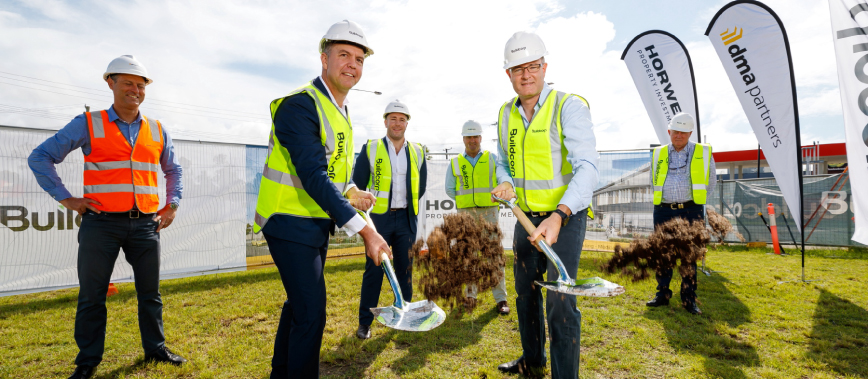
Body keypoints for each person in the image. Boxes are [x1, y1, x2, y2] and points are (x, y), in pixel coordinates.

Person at [27, 55, 186, 379]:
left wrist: (172, 205)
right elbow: (41, 157)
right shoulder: (88, 123)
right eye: (127, 82)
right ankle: (87, 361)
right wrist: (66, 198)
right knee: (92, 295)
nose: (135, 89)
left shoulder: (157, 129)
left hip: (144, 224)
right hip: (100, 223)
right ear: (110, 83)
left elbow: (174, 170)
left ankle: (155, 349)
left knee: (150, 294)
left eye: (140, 85)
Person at [252, 20, 391, 378]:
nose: (352, 65)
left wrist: (351, 191)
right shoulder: (299, 106)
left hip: (313, 222)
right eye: (343, 55)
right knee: (312, 313)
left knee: (299, 306)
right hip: (287, 220)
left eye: (359, 59)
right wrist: (366, 232)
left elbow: (333, 175)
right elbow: (312, 176)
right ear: (323, 58)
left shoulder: (341, 112)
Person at [490, 31, 598, 378]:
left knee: (561, 302)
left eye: (533, 66)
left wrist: (559, 215)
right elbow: (503, 160)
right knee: (525, 293)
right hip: (526, 221)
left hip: (563, 220)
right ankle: (532, 361)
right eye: (518, 69)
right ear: (508, 74)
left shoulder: (569, 106)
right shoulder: (506, 114)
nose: (526, 74)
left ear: (544, 66)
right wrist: (505, 179)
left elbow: (588, 168)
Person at [352, 99, 427, 339]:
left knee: (404, 269)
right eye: (392, 118)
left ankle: (404, 316)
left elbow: (421, 185)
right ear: (385, 121)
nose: (397, 123)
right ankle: (365, 323)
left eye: (402, 119)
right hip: (379, 222)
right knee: (374, 271)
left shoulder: (417, 151)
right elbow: (357, 184)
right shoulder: (371, 148)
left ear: (407, 123)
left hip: (406, 220)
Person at [645, 112, 716, 315]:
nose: (679, 136)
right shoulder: (659, 153)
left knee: (689, 256)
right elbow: (653, 179)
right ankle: (662, 295)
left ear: (690, 133)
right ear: (669, 131)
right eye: (675, 132)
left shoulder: (702, 152)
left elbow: (711, 181)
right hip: (663, 210)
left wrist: (694, 201)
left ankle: (689, 299)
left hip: (691, 210)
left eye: (683, 132)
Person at [445, 120, 509, 314]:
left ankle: (501, 299)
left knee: (494, 256)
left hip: (489, 212)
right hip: (465, 215)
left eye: (475, 136)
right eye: (468, 137)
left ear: (480, 138)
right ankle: (470, 297)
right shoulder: (455, 162)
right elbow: (449, 189)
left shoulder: (493, 159)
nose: (472, 140)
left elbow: (501, 181)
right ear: (463, 139)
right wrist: (466, 202)